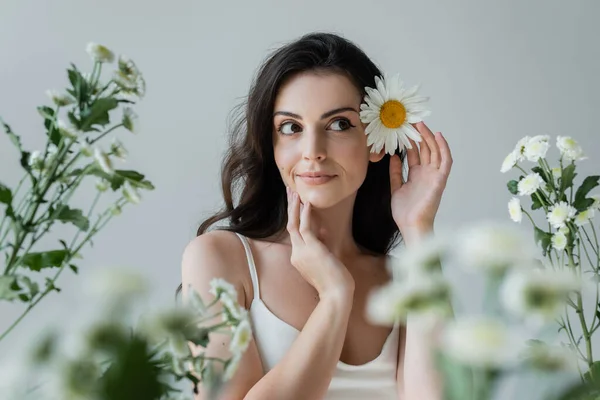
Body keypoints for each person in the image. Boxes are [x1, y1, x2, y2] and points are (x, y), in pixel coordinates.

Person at [180, 31, 452, 400]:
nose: (313, 151)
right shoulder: (221, 259)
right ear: (271, 144)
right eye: (291, 128)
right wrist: (335, 297)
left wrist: (419, 232)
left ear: (375, 141)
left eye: (339, 124)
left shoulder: (402, 278)